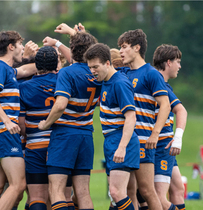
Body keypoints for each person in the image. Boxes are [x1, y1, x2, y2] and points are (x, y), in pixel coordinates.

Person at [38, 24, 100, 210]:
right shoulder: (96, 73)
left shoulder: (67, 72)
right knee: (82, 192)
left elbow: (60, 105)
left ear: (73, 49)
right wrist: (75, 35)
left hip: (65, 135)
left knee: (56, 190)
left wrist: (46, 124)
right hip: (86, 135)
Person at [0, 30, 37, 209]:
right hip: (4, 132)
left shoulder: (6, 69)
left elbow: (23, 70)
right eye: (21, 45)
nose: (22, 48)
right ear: (11, 46)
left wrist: (46, 62)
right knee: (18, 185)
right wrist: (6, 120)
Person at [118, 29, 170, 210]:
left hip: (142, 140)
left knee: (147, 191)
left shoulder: (151, 73)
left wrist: (155, 134)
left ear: (137, 47)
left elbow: (166, 105)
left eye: (124, 47)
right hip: (126, 141)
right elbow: (98, 61)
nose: (121, 52)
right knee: (129, 191)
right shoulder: (123, 73)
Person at [85, 43, 139, 210]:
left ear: (108, 63)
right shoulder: (105, 81)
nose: (93, 71)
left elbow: (131, 116)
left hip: (121, 140)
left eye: (96, 67)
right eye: (90, 67)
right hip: (111, 140)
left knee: (116, 193)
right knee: (117, 197)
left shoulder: (119, 83)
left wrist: (122, 147)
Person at [19, 46, 59, 210]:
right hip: (60, 145)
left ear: (36, 64)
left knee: (36, 197)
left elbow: (21, 125)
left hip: (35, 146)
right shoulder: (64, 82)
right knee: (61, 195)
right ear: (56, 64)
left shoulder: (24, 87)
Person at [153, 44, 187, 210]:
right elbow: (181, 110)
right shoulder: (158, 84)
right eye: (178, 61)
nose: (179, 66)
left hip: (166, 144)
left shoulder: (163, 84)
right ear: (168, 62)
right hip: (160, 145)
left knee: (178, 189)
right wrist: (178, 137)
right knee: (158, 197)